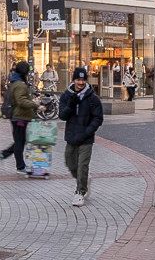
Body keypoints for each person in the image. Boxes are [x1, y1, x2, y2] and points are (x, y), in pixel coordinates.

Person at [57, 65, 104, 207]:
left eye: (83, 80)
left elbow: (98, 118)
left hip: (86, 138)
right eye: (78, 79)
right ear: (74, 80)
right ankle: (84, 180)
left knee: (82, 165)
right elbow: (62, 116)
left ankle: (80, 192)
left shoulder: (92, 98)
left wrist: (88, 131)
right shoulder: (67, 95)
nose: (80, 83)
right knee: (70, 163)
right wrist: (71, 104)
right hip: (71, 137)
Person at [0, 61, 35, 173]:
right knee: (19, 141)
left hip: (17, 116)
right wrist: (35, 105)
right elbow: (21, 101)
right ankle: (20, 166)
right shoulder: (20, 84)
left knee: (21, 140)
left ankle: (5, 154)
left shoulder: (15, 81)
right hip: (19, 117)